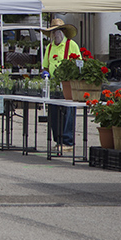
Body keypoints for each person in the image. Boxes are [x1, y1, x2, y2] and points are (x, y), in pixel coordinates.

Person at [42, 18, 81, 151]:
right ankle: (58, 140)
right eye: (53, 31)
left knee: (68, 112)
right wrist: (45, 76)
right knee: (54, 113)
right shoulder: (50, 47)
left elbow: (79, 64)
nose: (56, 34)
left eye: (58, 31)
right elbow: (45, 66)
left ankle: (67, 142)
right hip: (54, 84)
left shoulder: (72, 45)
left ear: (63, 32)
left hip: (68, 84)